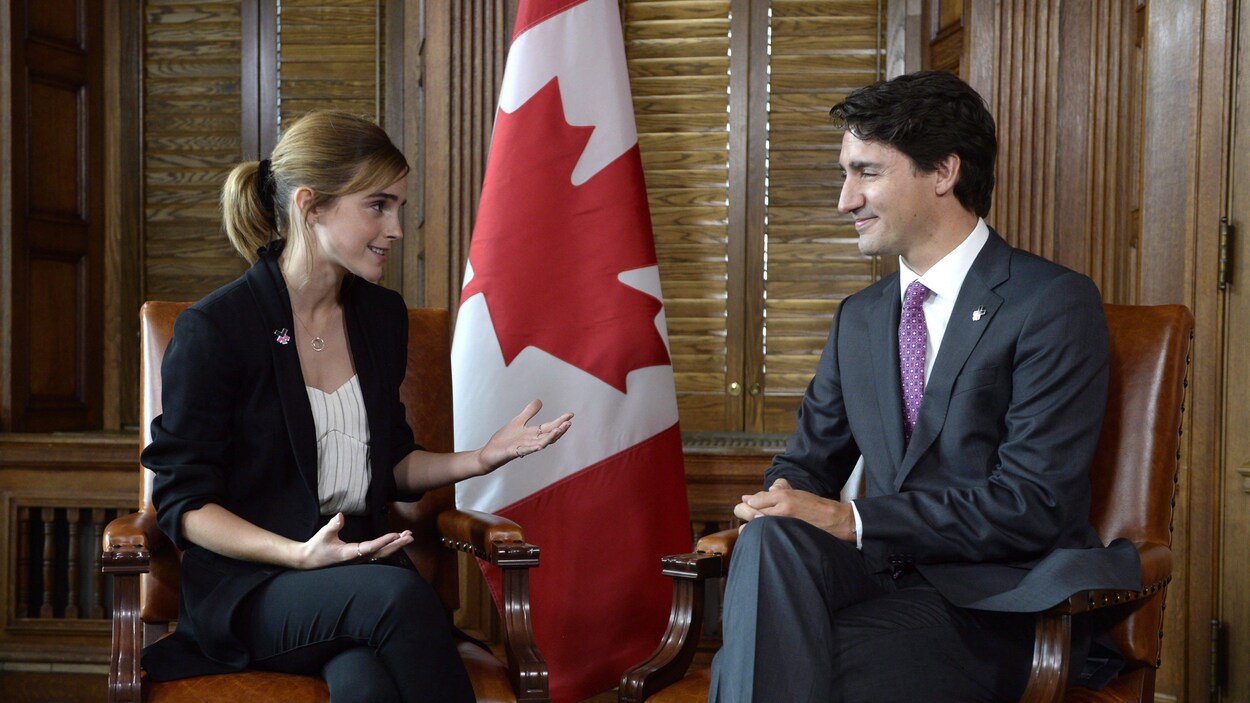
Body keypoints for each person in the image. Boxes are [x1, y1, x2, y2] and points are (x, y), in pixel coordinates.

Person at [708, 70, 1140, 702]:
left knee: (758, 670)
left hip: (996, 603)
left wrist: (857, 519)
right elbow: (806, 463)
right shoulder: (860, 317)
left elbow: (1032, 503)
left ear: (942, 172)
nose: (845, 200)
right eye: (844, 175)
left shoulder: (1050, 302)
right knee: (773, 540)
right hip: (882, 581)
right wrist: (780, 500)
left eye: (867, 173)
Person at [140, 110, 573, 702]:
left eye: (398, 206)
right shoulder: (217, 329)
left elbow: (389, 462)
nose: (396, 227)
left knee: (366, 686)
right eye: (378, 205)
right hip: (256, 587)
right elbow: (183, 504)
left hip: (355, 582)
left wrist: (479, 458)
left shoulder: (379, 317)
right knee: (395, 598)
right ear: (311, 206)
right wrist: (299, 554)